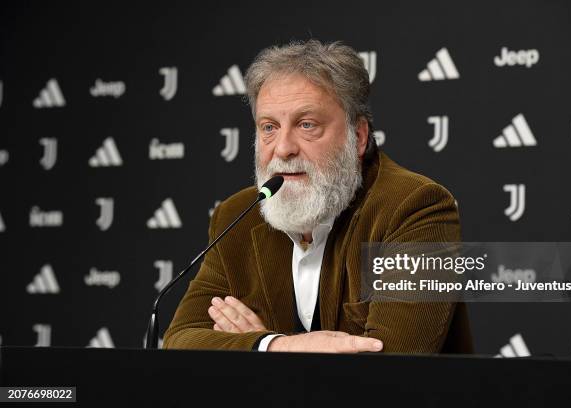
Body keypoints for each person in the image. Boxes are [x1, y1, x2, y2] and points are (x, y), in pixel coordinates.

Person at [163, 40, 472, 353]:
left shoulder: (415, 208)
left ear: (359, 136)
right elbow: (179, 342)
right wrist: (275, 346)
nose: (283, 149)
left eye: (306, 124)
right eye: (269, 127)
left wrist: (250, 352)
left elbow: (390, 371)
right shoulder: (236, 216)